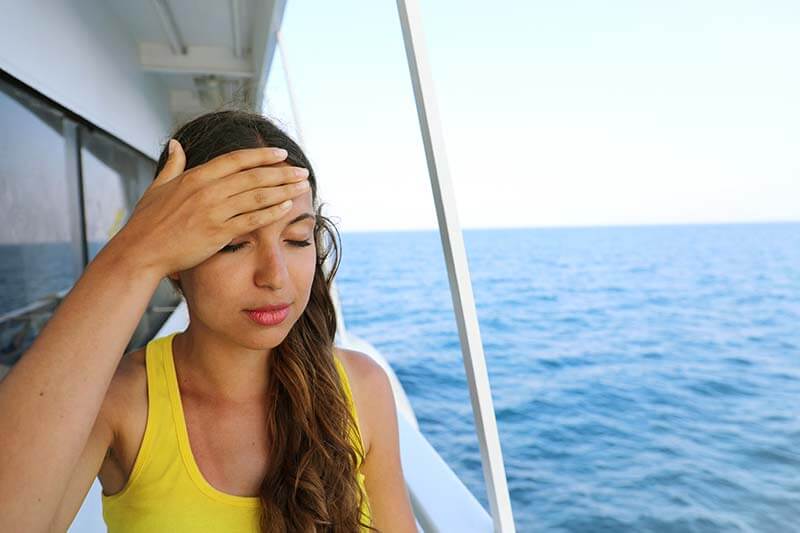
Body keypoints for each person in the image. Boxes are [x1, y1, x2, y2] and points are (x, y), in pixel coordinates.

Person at [0, 110, 417, 532]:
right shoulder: (120, 403)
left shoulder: (361, 388)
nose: (275, 276)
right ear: (175, 260)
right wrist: (135, 253)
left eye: (297, 239)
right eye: (234, 245)